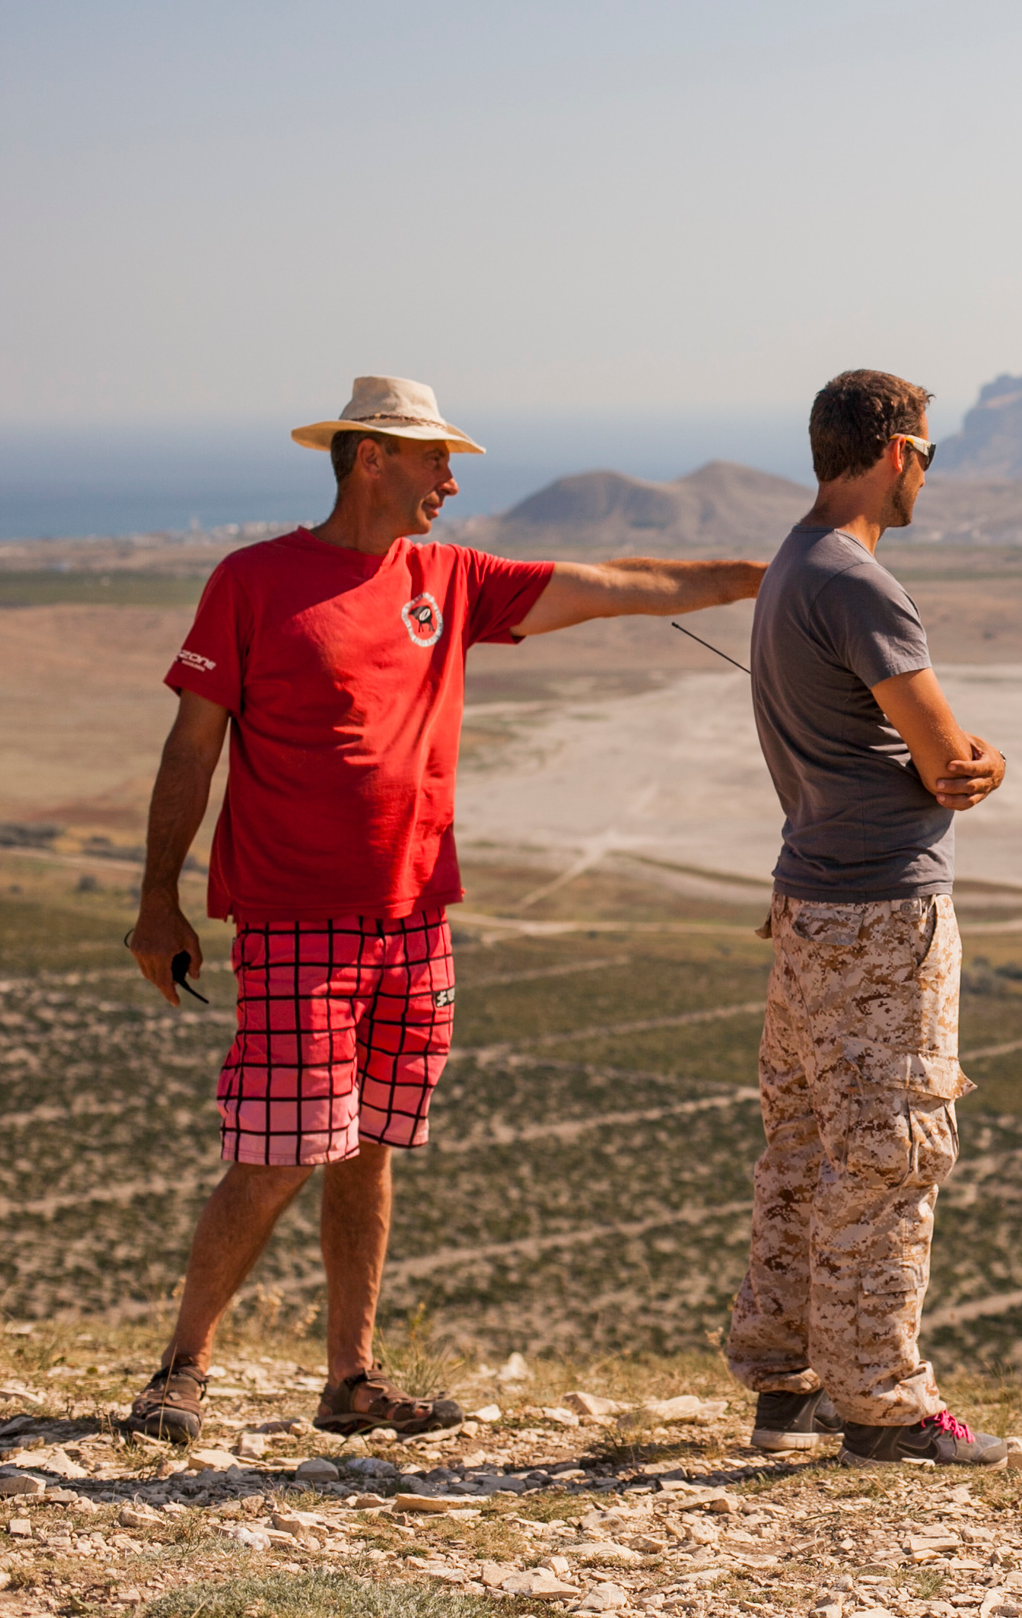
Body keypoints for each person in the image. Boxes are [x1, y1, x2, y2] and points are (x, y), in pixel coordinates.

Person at [121, 375, 765, 1445]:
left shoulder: (451, 579)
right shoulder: (252, 582)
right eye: (435, 462)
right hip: (291, 917)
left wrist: (765, 575)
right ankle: (180, 1372)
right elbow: (192, 746)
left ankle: (351, 1380)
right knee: (280, 1150)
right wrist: (157, 898)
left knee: (368, 1145)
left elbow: (622, 581)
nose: (452, 484)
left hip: (416, 917)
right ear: (371, 457)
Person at [725, 370, 1011, 1466]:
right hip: (882, 912)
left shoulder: (791, 564)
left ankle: (785, 1375)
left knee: (802, 1146)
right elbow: (947, 764)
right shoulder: (858, 583)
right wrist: (991, 760)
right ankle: (883, 1403)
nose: (929, 473)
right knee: (892, 1149)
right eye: (928, 453)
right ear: (893, 452)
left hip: (807, 903)